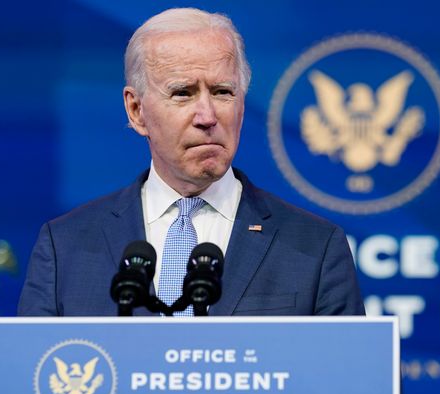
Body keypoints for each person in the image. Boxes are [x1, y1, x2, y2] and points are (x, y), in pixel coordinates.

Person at [18, 7, 364, 317]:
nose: (207, 116)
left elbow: (351, 382)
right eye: (182, 93)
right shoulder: (65, 247)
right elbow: (31, 377)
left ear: (242, 106)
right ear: (136, 110)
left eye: (222, 92)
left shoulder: (316, 248)